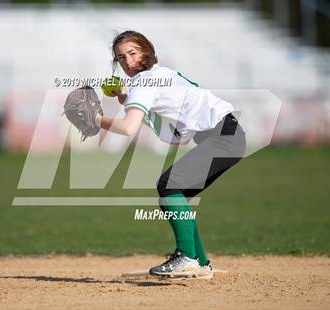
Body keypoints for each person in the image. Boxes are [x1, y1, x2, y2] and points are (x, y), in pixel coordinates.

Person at [95, 30, 246, 279]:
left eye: (132, 53)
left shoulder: (144, 81)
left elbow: (128, 127)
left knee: (169, 186)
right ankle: (200, 263)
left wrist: (95, 119)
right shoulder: (161, 75)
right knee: (176, 195)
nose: (127, 61)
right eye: (121, 58)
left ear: (147, 50)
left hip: (224, 137)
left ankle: (186, 258)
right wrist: (125, 97)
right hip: (229, 136)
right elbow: (169, 121)